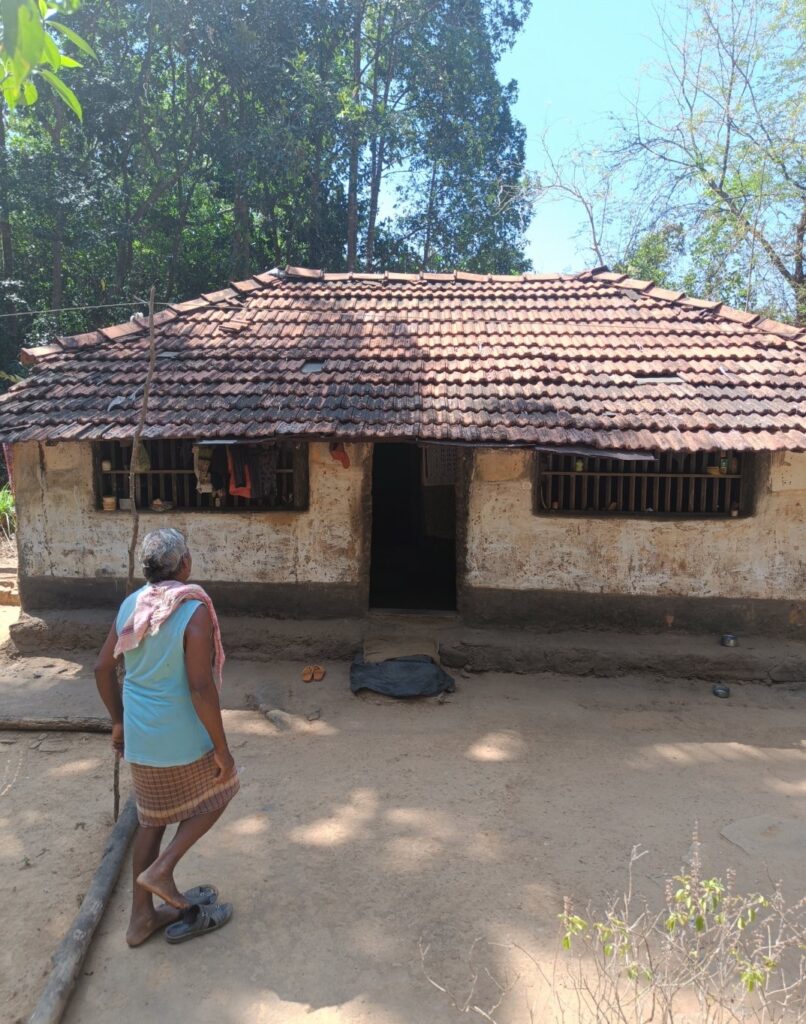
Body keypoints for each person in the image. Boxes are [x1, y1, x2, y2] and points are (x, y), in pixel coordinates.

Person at [94, 527, 239, 946]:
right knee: (223, 788)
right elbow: (199, 685)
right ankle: (163, 869)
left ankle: (141, 919)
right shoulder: (192, 610)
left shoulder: (129, 605)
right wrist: (222, 748)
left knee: (151, 820)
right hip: (178, 734)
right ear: (186, 564)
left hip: (140, 732)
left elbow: (103, 667)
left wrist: (118, 721)